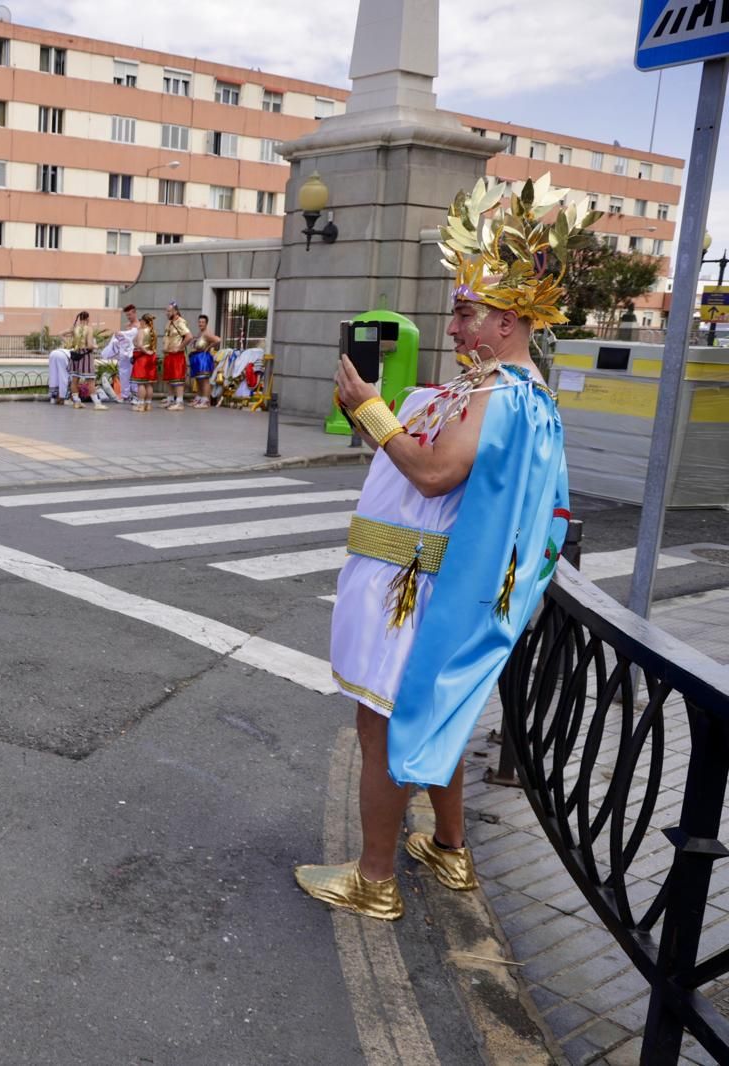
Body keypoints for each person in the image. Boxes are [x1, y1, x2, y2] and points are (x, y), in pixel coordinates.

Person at [294, 177, 582, 921]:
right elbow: (424, 461)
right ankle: (449, 849)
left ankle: (374, 880)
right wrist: (375, 418)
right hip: (417, 585)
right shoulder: (497, 389)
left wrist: (370, 412)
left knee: (383, 722)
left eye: (466, 313)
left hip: (413, 594)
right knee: (433, 716)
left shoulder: (501, 393)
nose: (454, 328)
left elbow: (431, 473)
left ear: (510, 319)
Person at [66, 311, 102, 410]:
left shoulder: (74, 328)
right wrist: (95, 346)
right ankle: (97, 404)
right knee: (90, 380)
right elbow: (90, 345)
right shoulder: (89, 329)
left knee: (75, 379)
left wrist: (68, 343)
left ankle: (77, 402)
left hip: (75, 355)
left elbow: (61, 334)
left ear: (79, 318)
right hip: (85, 356)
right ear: (87, 319)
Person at [161, 304, 191, 410]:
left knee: (178, 379)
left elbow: (189, 336)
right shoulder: (169, 322)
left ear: (175, 311)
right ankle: (170, 400)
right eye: (166, 311)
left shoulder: (180, 322)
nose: (167, 313)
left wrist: (179, 347)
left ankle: (179, 402)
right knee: (169, 379)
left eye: (169, 311)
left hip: (177, 355)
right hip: (168, 354)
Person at [189, 313, 223, 409]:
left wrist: (209, 347)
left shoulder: (207, 333)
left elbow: (218, 340)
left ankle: (205, 400)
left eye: (203, 322)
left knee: (204, 380)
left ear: (206, 323)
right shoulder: (200, 333)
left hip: (203, 358)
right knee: (199, 380)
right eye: (199, 322)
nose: (200, 324)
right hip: (197, 358)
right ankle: (199, 398)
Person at [130, 312, 159, 413]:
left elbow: (139, 344)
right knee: (149, 383)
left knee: (141, 383)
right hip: (151, 358)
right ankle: (148, 404)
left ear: (143, 321)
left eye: (140, 320)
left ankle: (141, 404)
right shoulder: (153, 332)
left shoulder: (141, 331)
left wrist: (145, 351)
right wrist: (150, 352)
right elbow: (154, 347)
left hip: (142, 358)